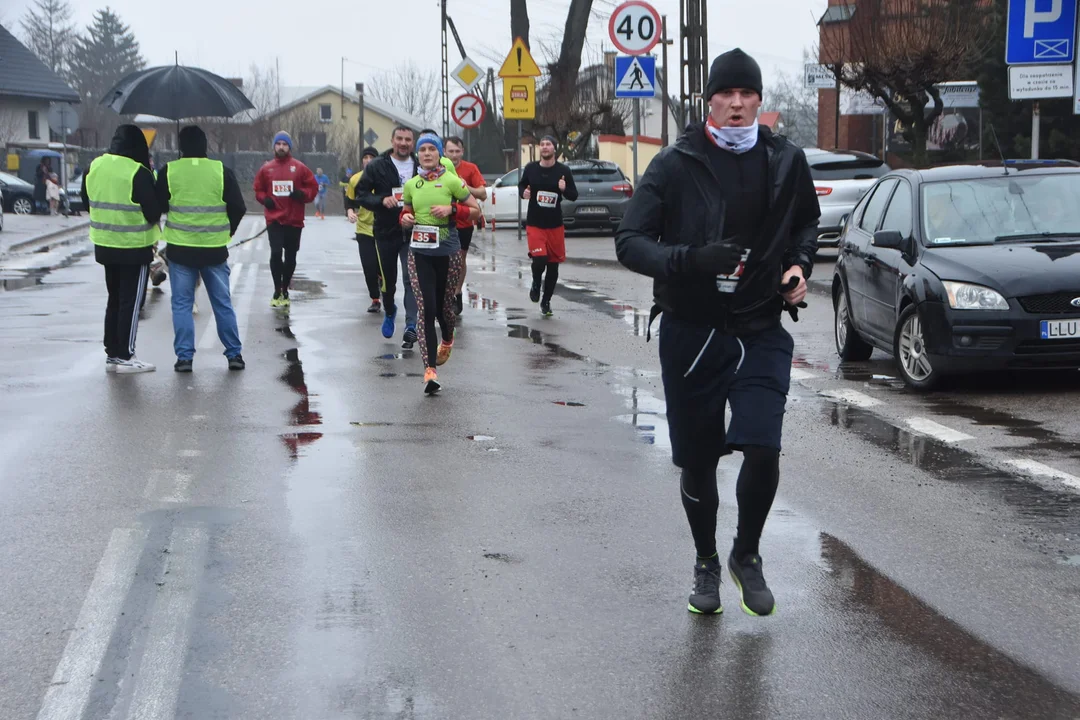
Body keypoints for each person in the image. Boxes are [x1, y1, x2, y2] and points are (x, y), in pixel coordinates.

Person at [615, 48, 820, 617]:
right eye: (725, 94)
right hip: (694, 330)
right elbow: (630, 241)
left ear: (758, 99)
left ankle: (745, 554)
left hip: (758, 325)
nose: (736, 103)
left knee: (762, 442)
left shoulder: (785, 160)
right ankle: (706, 560)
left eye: (745, 94)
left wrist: (798, 266)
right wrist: (691, 259)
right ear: (710, 101)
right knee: (698, 460)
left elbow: (806, 221)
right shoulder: (676, 163)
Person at [156, 125, 248, 372]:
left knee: (182, 304)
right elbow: (238, 206)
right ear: (205, 145)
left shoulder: (169, 171)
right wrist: (227, 231)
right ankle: (234, 355)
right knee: (222, 303)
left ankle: (184, 358)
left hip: (180, 251)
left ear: (181, 146)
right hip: (214, 251)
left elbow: (157, 205)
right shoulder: (221, 171)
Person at [399, 132, 480, 394]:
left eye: (431, 150)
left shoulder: (452, 181)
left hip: (448, 253)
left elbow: (476, 209)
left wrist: (452, 210)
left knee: (445, 309)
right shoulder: (411, 185)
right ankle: (429, 370)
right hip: (420, 253)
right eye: (422, 150)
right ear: (418, 156)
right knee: (426, 309)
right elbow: (405, 212)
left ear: (438, 154)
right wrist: (406, 220)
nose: (426, 154)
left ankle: (447, 337)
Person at [81, 124, 163, 373]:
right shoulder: (138, 171)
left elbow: (87, 200)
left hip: (105, 244)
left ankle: (112, 354)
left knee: (114, 299)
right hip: (134, 247)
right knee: (131, 301)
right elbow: (152, 212)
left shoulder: (95, 166)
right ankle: (126, 356)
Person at [355, 126, 421, 347]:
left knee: (411, 278)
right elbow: (361, 194)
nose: (403, 143)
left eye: (408, 140)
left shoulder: (421, 165)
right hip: (386, 231)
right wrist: (381, 200)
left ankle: (411, 325)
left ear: (413, 143)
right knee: (389, 280)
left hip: (414, 231)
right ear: (392, 140)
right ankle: (390, 310)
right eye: (399, 139)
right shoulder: (377, 165)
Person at [253, 131, 319, 308]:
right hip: (274, 219)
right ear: (274, 146)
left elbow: (313, 188)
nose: (281, 147)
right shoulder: (266, 169)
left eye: (284, 144)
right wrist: (264, 199)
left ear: (289, 147)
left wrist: (301, 194)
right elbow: (258, 189)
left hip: (294, 219)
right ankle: (276, 290)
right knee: (275, 253)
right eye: (278, 144)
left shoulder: (299, 168)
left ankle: (285, 288)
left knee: (290, 257)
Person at [518, 135, 578, 317]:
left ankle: (546, 300)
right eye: (542, 144)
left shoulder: (563, 171)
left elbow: (574, 195)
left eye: (548, 144)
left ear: (554, 148)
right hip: (535, 223)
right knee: (540, 259)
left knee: (553, 266)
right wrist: (524, 192)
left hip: (555, 225)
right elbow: (521, 186)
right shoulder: (531, 169)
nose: (544, 147)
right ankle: (536, 282)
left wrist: (563, 189)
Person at [444, 136, 488, 315]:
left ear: (462, 151)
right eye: (450, 151)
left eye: (457, 151)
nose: (454, 155)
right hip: (442, 221)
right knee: (443, 260)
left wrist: (465, 187)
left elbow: (483, 193)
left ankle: (457, 293)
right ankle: (443, 295)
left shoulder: (470, 169)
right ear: (444, 152)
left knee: (459, 260)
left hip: (464, 221)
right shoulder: (438, 168)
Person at [346, 147, 383, 314]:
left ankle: (381, 279)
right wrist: (350, 212)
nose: (368, 160)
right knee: (368, 266)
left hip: (383, 228)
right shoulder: (355, 179)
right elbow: (349, 201)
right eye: (365, 157)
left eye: (372, 157)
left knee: (381, 266)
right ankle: (375, 299)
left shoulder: (384, 177)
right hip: (363, 228)